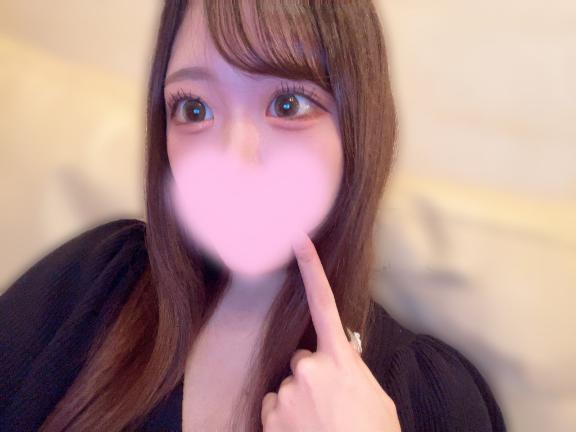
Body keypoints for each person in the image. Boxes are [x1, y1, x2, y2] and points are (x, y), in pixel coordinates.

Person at [0, 0, 507, 431]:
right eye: (194, 109)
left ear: (359, 129)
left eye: (288, 104)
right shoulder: (93, 282)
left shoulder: (435, 398)